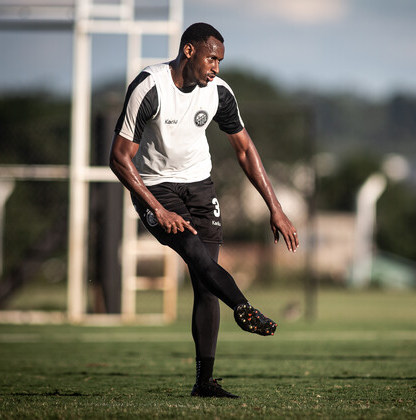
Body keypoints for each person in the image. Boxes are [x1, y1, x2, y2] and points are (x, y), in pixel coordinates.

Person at [109, 22, 299, 398]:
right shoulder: (150, 86)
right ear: (189, 51)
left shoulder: (219, 93)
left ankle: (204, 383)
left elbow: (245, 150)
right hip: (156, 188)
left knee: (205, 282)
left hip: (200, 187)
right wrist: (157, 209)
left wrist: (275, 208)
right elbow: (118, 157)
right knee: (196, 255)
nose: (216, 68)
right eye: (212, 58)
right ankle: (244, 308)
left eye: (221, 61)